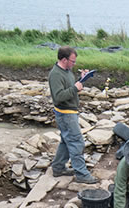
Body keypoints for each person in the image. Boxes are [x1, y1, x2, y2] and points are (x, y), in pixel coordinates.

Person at [48, 46, 97, 184]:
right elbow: (58, 97)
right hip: (65, 114)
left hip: (70, 112)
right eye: (72, 61)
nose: (74, 64)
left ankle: (58, 168)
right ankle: (81, 174)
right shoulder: (55, 75)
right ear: (64, 59)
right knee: (77, 142)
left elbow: (69, 87)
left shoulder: (67, 71)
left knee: (66, 141)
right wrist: (75, 88)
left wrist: (81, 80)